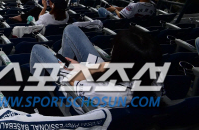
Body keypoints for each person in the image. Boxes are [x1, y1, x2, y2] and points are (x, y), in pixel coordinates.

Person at [29, 25, 163, 114]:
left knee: (38, 49)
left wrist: (78, 69)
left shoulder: (111, 92)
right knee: (71, 29)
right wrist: (87, 66)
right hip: (107, 75)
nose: (111, 50)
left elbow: (73, 81)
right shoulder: (151, 72)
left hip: (76, 90)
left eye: (114, 48)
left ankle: (35, 90)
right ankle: (62, 62)